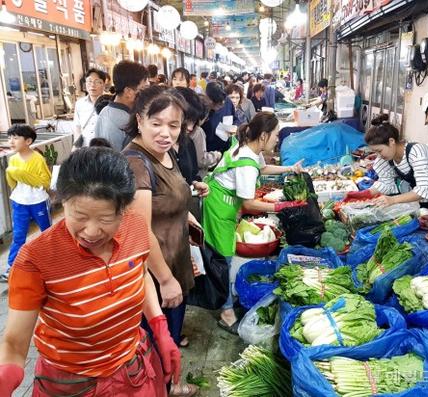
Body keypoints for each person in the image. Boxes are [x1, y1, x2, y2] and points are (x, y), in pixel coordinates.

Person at [0, 147, 181, 396]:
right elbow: (14, 343)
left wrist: (159, 327)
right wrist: (7, 372)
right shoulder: (36, 260)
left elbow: (138, 275)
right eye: (80, 216)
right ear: (63, 203)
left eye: (106, 219)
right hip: (70, 384)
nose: (92, 231)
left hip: (132, 371)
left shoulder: (135, 227)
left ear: (123, 209)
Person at [123, 86, 199, 396]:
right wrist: (166, 280)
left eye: (174, 125)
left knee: (169, 340)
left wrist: (187, 214)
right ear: (139, 120)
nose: (165, 132)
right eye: (157, 123)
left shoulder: (165, 153)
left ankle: (170, 385)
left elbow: (166, 197)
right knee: (153, 347)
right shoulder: (136, 164)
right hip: (154, 276)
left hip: (175, 261)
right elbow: (140, 229)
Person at [202, 112, 304, 334]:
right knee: (224, 259)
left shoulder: (249, 149)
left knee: (224, 255)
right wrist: (280, 207)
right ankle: (226, 313)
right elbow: (249, 204)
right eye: (276, 135)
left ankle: (226, 299)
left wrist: (289, 168)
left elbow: (263, 169)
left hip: (225, 205)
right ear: (265, 135)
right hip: (219, 208)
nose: (278, 139)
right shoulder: (247, 163)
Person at [366, 114, 428, 210]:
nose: (378, 156)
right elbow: (386, 184)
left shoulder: (415, 152)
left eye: (379, 151)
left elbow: (423, 190)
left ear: (391, 141)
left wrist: (392, 200)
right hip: (426, 196)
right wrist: (359, 195)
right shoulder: (388, 157)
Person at [1, 124, 51, 282]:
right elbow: (12, 182)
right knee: (18, 235)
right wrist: (17, 174)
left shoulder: (38, 159)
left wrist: (20, 173)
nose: (11, 141)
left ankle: (51, 261)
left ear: (28, 141)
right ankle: (13, 266)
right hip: (19, 202)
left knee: (47, 232)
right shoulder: (13, 159)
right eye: (10, 138)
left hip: (38, 202)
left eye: (16, 138)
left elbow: (45, 181)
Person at [95, 60, 148, 151]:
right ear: (128, 92)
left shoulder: (105, 111)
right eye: (144, 88)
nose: (147, 94)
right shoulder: (128, 123)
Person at [173, 88, 221, 179]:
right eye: (187, 120)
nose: (190, 128)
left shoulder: (187, 142)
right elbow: (201, 160)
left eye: (194, 122)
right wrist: (216, 155)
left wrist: (194, 183)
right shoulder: (197, 132)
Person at [73, 68, 106, 148]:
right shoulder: (79, 104)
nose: (92, 85)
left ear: (103, 84)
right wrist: (76, 148)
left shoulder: (109, 103)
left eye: (97, 82)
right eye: (89, 81)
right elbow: (77, 128)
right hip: (85, 149)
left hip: (104, 150)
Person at [202, 81, 236, 153]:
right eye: (217, 104)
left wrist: (234, 128)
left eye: (222, 103)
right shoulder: (202, 108)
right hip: (208, 150)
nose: (221, 106)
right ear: (208, 98)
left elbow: (235, 118)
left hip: (225, 146)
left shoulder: (227, 102)